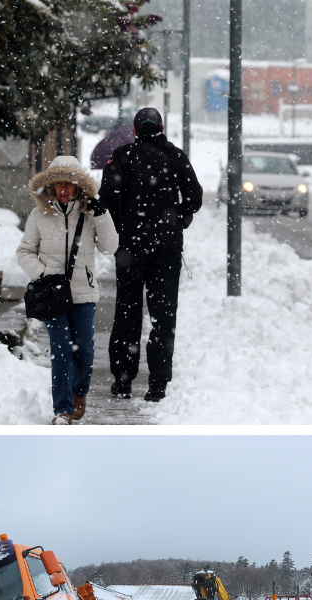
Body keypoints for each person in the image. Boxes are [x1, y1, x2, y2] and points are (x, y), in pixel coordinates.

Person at [99, 107, 203, 403]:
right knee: (163, 317)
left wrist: (121, 230)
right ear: (161, 128)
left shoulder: (122, 157)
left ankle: (123, 380)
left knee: (127, 314)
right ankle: (157, 383)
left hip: (130, 250)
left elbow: (107, 201)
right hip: (167, 250)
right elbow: (195, 196)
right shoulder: (176, 157)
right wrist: (180, 217)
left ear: (135, 130)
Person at [16, 155, 118, 424]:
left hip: (84, 293)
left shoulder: (90, 214)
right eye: (58, 183)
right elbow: (25, 251)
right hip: (53, 295)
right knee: (61, 349)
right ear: (50, 185)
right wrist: (42, 274)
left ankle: (79, 392)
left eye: (70, 184)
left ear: (78, 186)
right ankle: (62, 408)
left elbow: (110, 247)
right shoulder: (39, 216)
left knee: (83, 349)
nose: (63, 188)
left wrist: (102, 214)